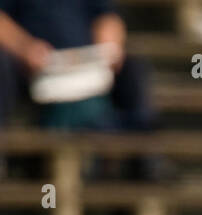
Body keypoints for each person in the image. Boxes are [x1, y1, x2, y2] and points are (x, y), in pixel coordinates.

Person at [0, 0, 158, 172]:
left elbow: (107, 16)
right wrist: (24, 47)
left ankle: (144, 158)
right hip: (28, 68)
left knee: (134, 68)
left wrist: (110, 43)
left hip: (88, 64)